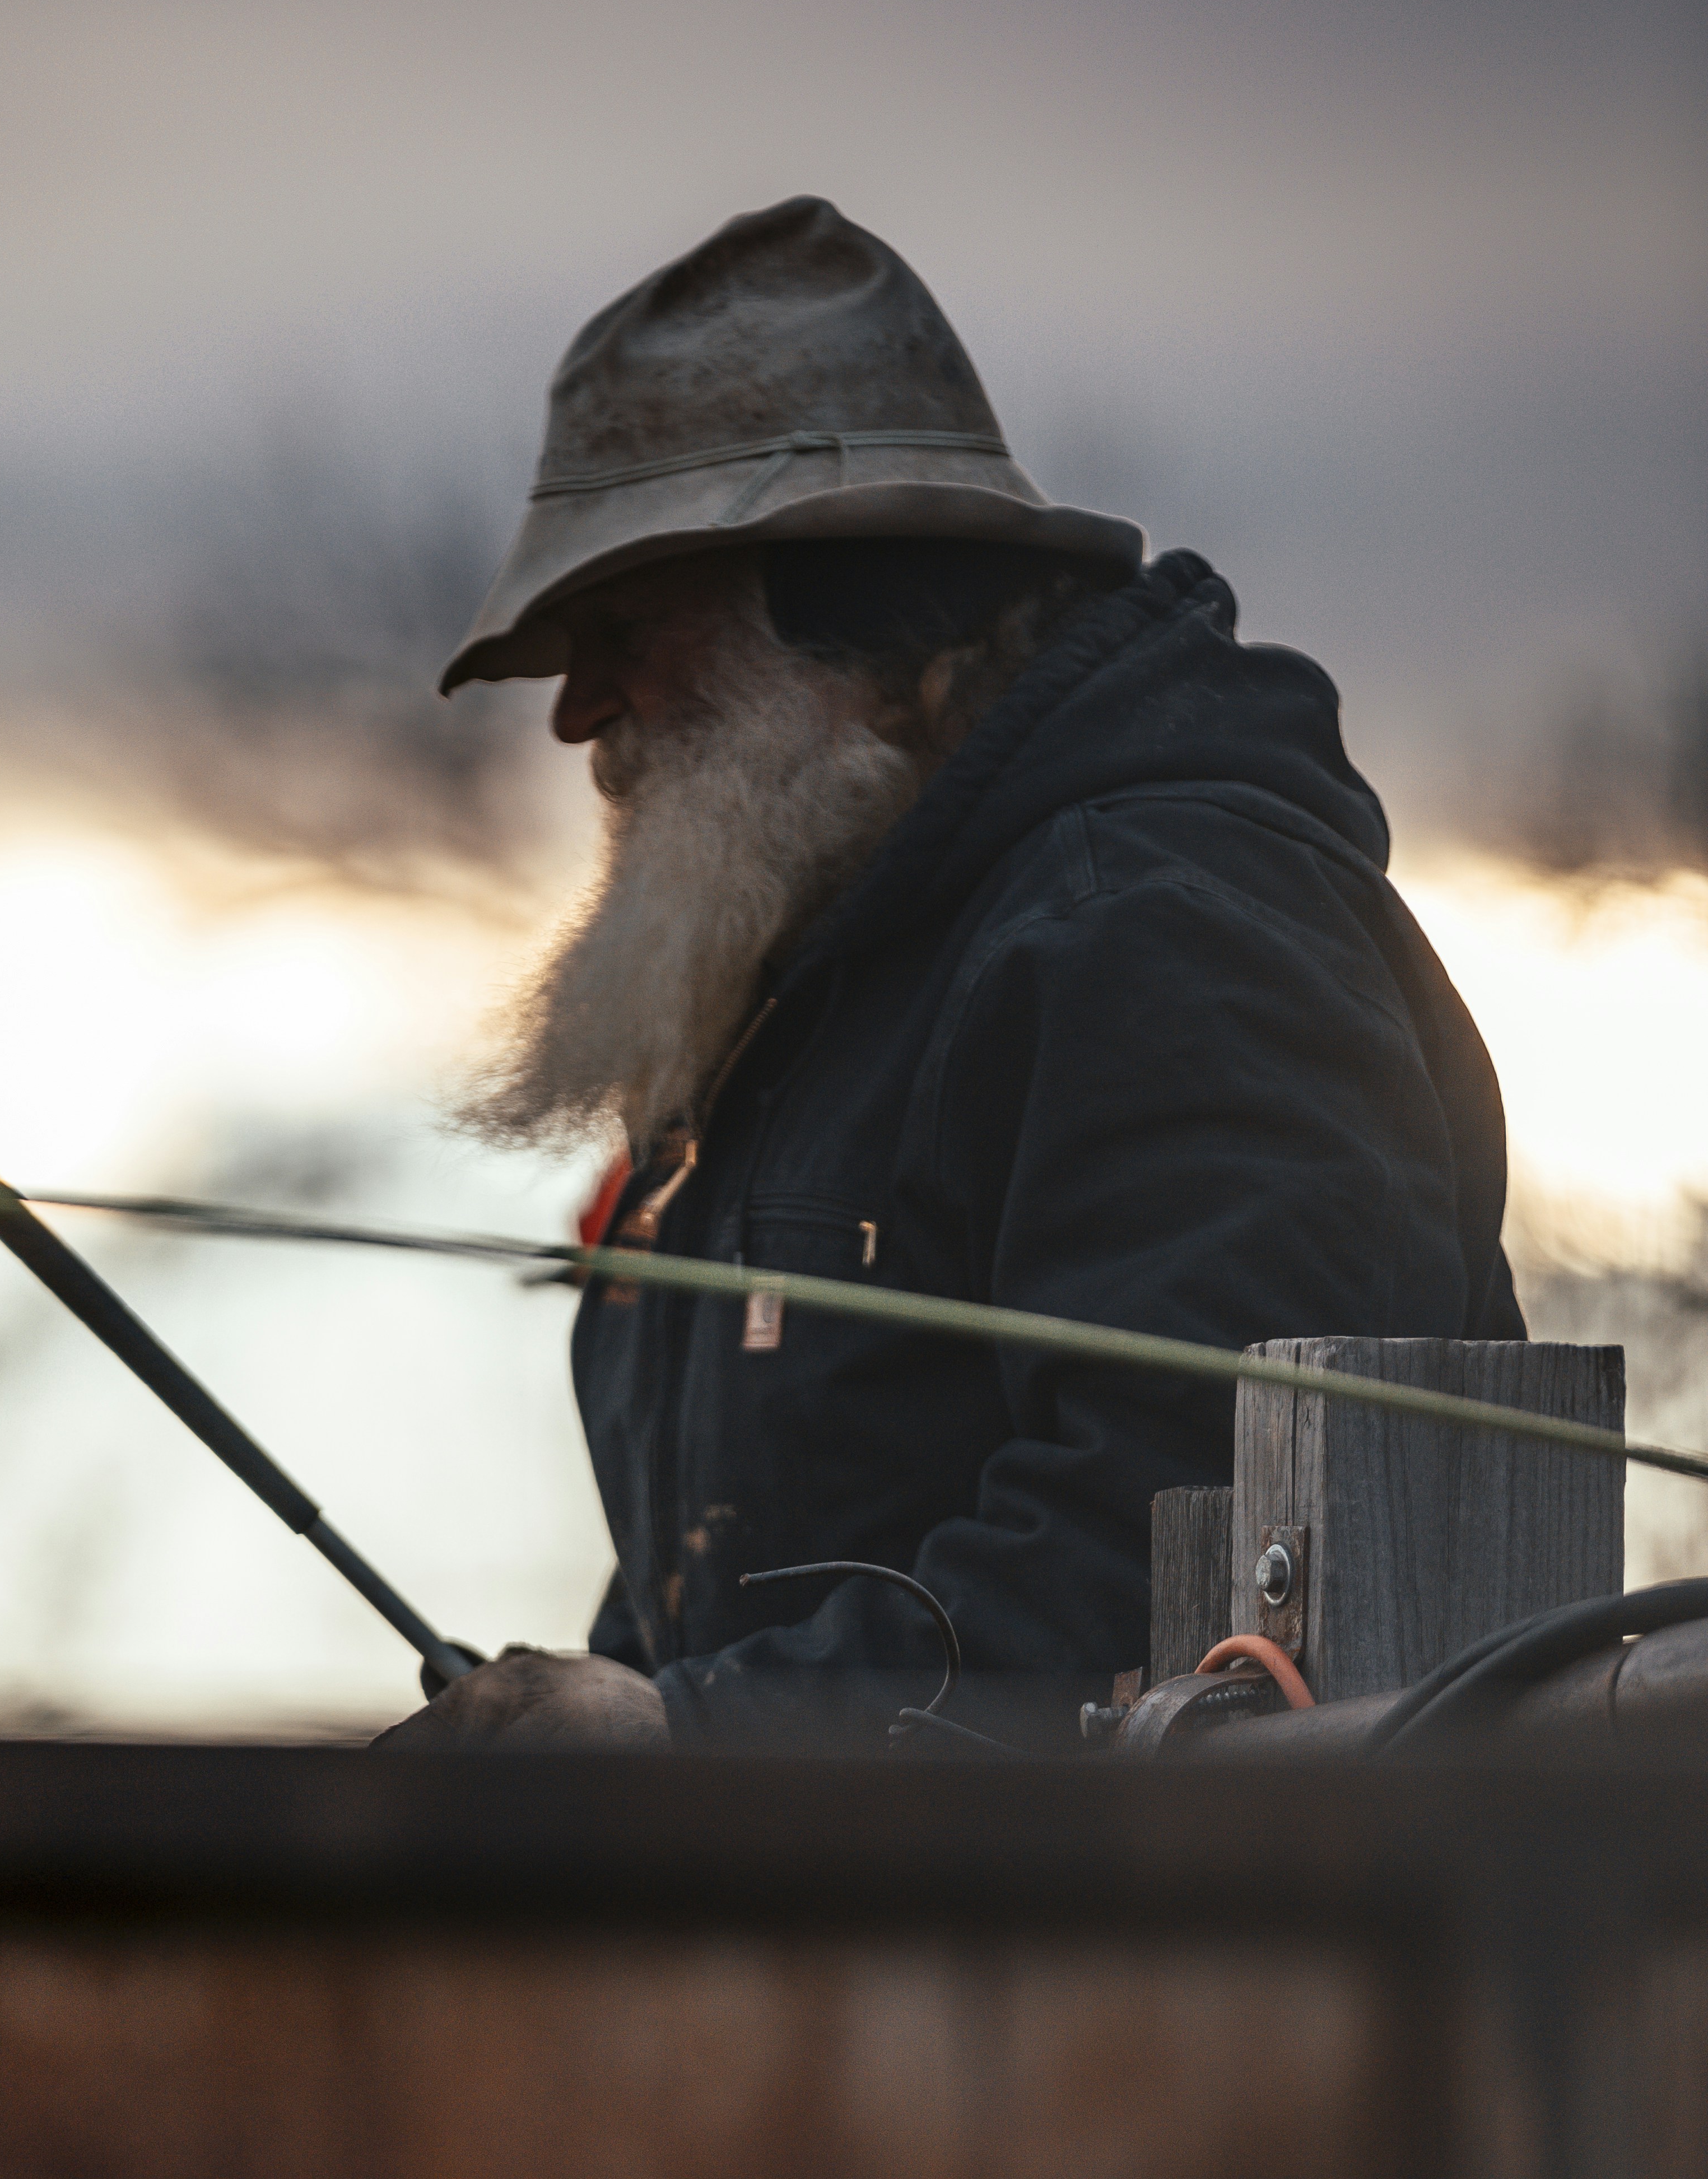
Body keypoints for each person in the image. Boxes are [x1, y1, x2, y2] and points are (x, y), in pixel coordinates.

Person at [380, 196, 1521, 1753]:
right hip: (884, 1962)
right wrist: (599, 1720)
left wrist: (689, 1746)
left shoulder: (1159, 925)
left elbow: (1190, 1556)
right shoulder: (809, 994)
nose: (578, 711)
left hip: (1193, 1973)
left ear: (847, 600)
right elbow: (721, 1602)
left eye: (626, 624)